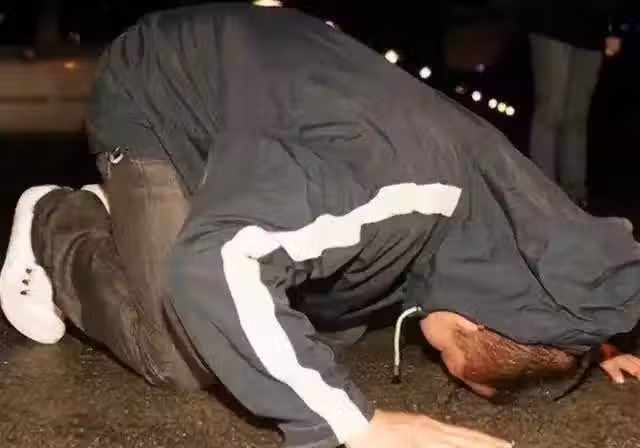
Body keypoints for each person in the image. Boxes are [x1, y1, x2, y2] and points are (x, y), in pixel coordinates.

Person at [1, 4, 640, 448]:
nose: (443, 366)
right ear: (476, 320)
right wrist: (353, 421)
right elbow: (218, 265)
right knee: (189, 351)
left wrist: (588, 337)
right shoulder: (401, 188)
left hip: (274, 96)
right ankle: (63, 220)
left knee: (323, 322)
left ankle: (153, 220)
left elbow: (568, 270)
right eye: (452, 358)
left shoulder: (508, 213)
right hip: (162, 91)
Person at [525, 0, 627, 205]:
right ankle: (543, 191)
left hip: (592, 30)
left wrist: (614, 28)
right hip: (552, 23)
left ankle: (575, 192)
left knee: (577, 115)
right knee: (551, 109)